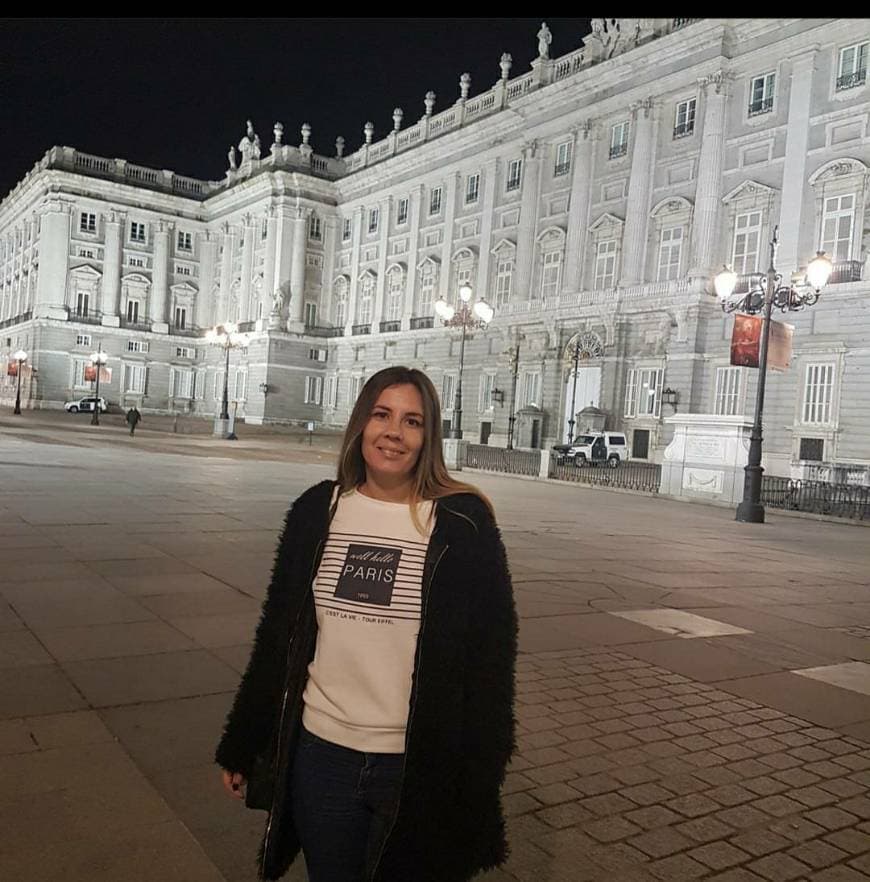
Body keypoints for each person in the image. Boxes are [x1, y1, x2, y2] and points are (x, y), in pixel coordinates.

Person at [215, 366, 517, 882]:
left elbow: (490, 662)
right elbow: (278, 635)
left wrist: (478, 778)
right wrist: (245, 737)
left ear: (428, 438)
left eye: (412, 421)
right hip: (322, 755)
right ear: (361, 424)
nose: (394, 432)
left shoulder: (464, 524)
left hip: (415, 762)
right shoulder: (318, 510)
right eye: (382, 415)